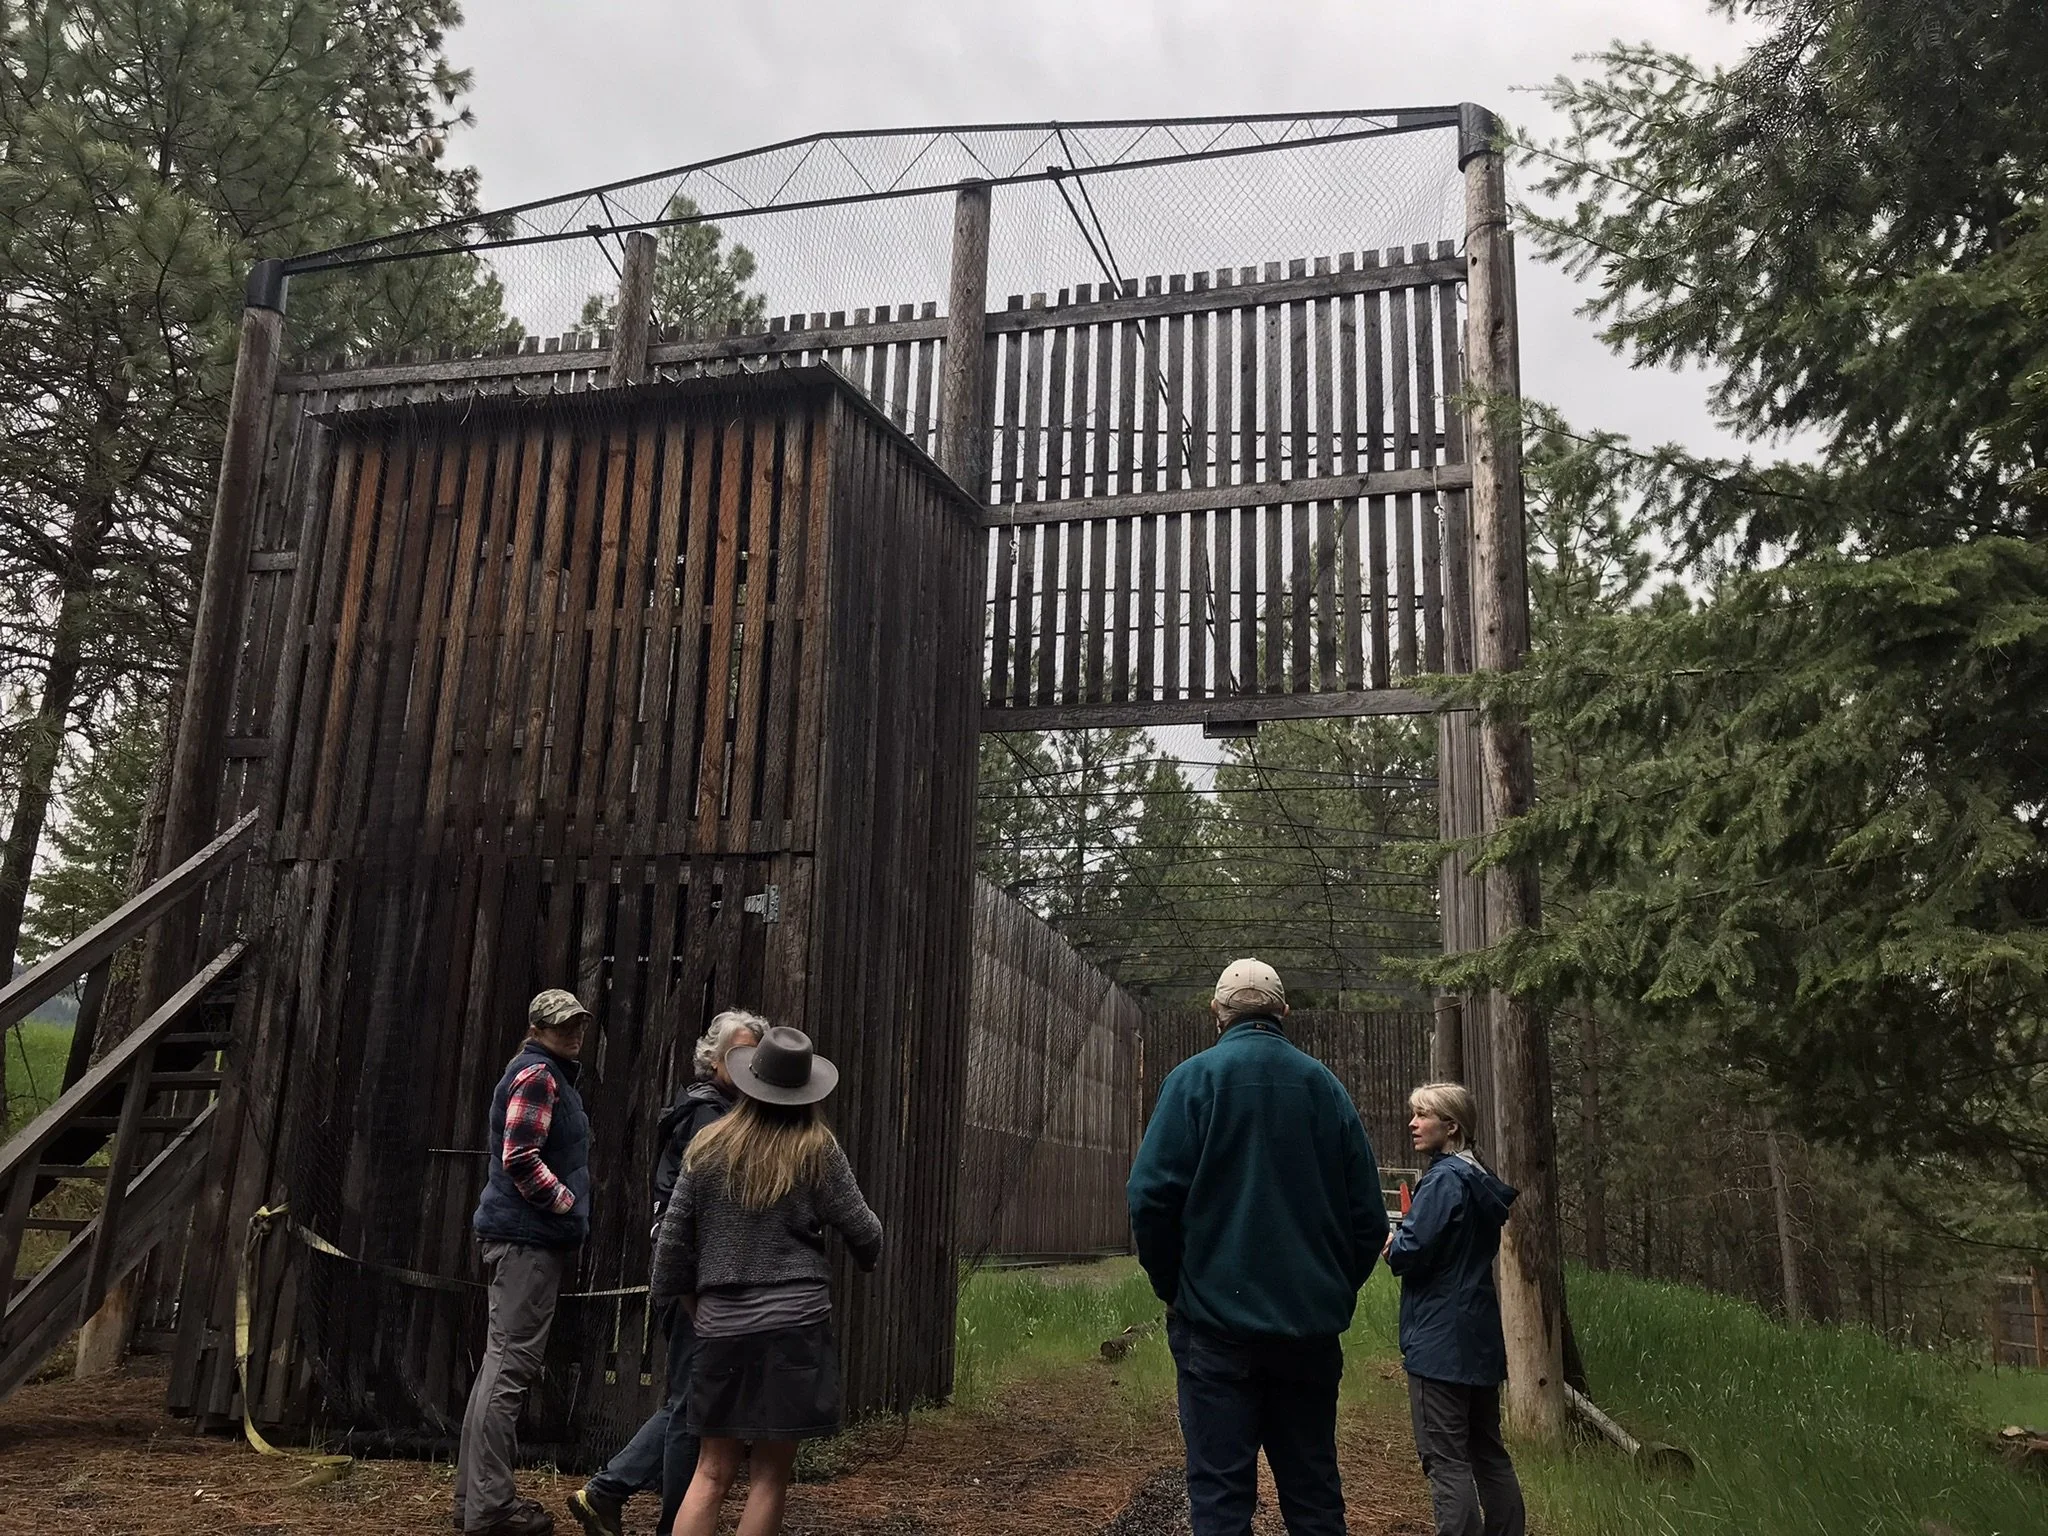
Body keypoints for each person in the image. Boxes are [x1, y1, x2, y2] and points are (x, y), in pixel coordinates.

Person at [1126, 958, 1388, 1536]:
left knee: (1221, 1498)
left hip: (1214, 1332)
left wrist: (1177, 1287)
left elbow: (1149, 1199)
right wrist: (1330, 1290)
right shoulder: (1326, 1088)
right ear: (1283, 1013)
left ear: (1216, 1013)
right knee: (1315, 1497)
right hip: (1308, 1335)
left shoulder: (1192, 1081)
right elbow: (1369, 1219)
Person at [650, 1024, 883, 1536]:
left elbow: (672, 1246)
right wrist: (867, 1257)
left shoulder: (708, 1146)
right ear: (805, 1091)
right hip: (795, 1326)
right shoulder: (815, 1148)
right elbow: (864, 1228)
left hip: (721, 1325)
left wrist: (694, 1305)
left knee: (711, 1470)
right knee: (770, 1476)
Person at [567, 1010, 766, 1536]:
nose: (748, 1065)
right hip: (696, 1284)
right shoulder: (709, 1117)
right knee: (691, 1409)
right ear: (714, 1060)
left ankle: (610, 1495)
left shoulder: (725, 1110)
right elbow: (692, 1213)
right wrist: (695, 1288)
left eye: (755, 1055)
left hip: (699, 1281)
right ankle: (662, 1518)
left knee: (688, 1402)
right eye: (738, 1055)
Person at [455, 989, 595, 1536]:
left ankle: (474, 1498)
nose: (574, 1033)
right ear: (537, 1028)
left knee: (498, 1366)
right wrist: (565, 1203)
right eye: (562, 1026)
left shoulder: (549, 1073)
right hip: (528, 1240)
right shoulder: (538, 1074)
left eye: (579, 1024)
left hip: (523, 1238)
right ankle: (489, 1509)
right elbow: (519, 1157)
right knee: (509, 1371)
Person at [1384, 1081, 1525, 1536]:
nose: (1413, 1123)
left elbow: (1409, 1252)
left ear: (1452, 1126)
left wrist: (1391, 1243)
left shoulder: (1444, 1179)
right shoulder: (1478, 1177)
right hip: (1479, 1334)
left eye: (1423, 1115)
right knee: (1487, 1451)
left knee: (1446, 1460)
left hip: (1439, 1339)